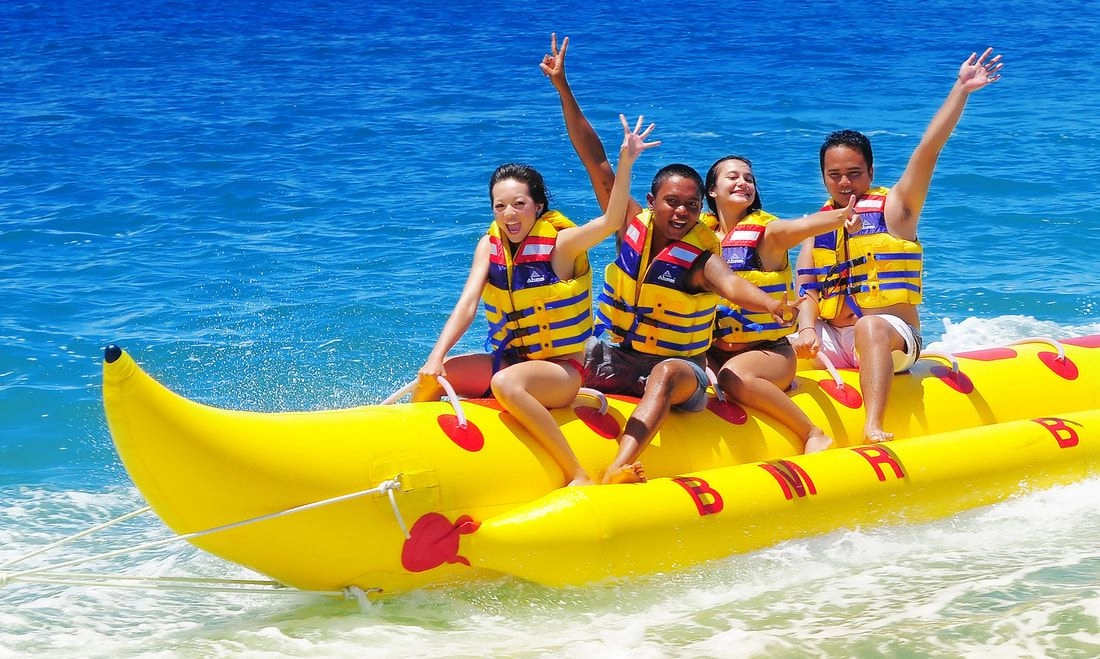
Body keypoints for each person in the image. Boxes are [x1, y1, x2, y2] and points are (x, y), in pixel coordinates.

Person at [540, 33, 852, 456]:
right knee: (556, 352)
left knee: (697, 376)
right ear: (653, 203)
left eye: (689, 205)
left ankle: (624, 464)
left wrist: (774, 302)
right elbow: (597, 164)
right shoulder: (634, 226)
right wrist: (563, 87)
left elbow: (733, 283)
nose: (681, 212)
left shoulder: (710, 252)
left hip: (711, 359)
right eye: (672, 203)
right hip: (635, 353)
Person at [413, 114, 660, 487]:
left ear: (538, 205)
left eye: (518, 204)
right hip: (514, 359)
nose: (509, 215)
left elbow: (611, 221)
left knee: (507, 385)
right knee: (438, 373)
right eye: (500, 206)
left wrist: (625, 162)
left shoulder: (561, 246)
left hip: (562, 373)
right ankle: (417, 454)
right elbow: (466, 305)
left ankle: (576, 472)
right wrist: (435, 356)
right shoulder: (489, 245)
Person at [792, 48, 1004, 444]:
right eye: (834, 175)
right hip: (834, 339)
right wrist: (805, 330)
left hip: (893, 339)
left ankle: (873, 424)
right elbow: (808, 291)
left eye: (854, 173)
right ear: (823, 177)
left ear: (870, 172)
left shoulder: (896, 210)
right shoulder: (817, 226)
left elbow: (927, 150)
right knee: (777, 339)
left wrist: (961, 89)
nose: (844, 183)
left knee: (870, 325)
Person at [703, 156, 859, 454]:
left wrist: (840, 217)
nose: (743, 183)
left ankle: (813, 432)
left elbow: (800, 227)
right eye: (733, 177)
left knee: (733, 377)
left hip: (768, 352)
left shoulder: (767, 234)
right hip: (711, 351)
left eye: (748, 178)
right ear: (712, 190)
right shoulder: (701, 237)